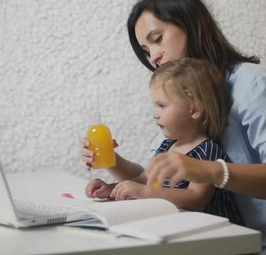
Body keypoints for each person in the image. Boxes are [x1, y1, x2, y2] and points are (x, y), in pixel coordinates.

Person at [82, 0, 266, 254]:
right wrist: (111, 162)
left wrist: (207, 170)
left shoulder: (254, 83)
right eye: (146, 50)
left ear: (192, 26)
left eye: (157, 39)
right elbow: (153, 178)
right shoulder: (179, 99)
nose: (154, 57)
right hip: (207, 243)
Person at [85, 58, 244, 225]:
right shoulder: (167, 146)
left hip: (215, 236)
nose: (155, 114)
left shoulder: (207, 151)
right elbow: (145, 180)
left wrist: (145, 192)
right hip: (175, 227)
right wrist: (111, 189)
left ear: (194, 110)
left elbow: (196, 198)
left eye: (162, 105)